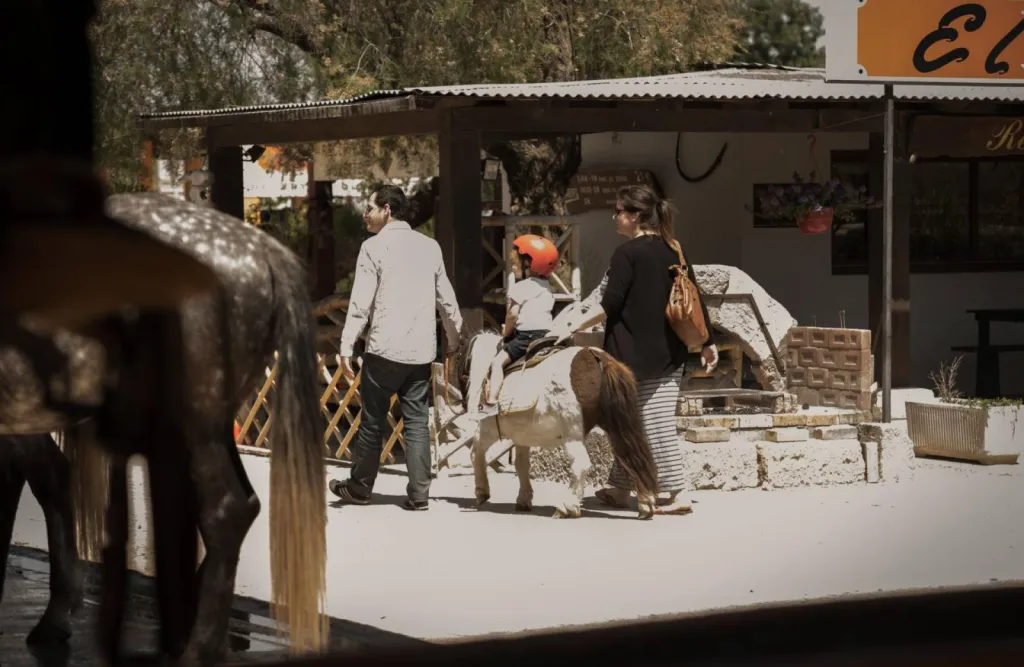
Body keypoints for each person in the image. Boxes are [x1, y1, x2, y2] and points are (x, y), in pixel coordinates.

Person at [548, 184, 718, 515]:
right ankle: (620, 487)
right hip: (669, 355)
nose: (614, 217)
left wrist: (573, 326)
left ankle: (678, 491)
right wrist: (707, 341)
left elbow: (609, 304)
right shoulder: (673, 250)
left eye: (618, 211)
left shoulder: (627, 254)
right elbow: (694, 298)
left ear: (634, 216)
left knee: (654, 424)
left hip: (632, 358)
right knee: (626, 422)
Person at [329, 184, 463, 511]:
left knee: (373, 420)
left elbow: (360, 304)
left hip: (383, 350)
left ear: (387, 210)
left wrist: (346, 346)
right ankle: (419, 495)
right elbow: (447, 300)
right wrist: (454, 339)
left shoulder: (373, 248)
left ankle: (360, 488)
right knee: (417, 421)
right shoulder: (430, 247)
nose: (366, 215)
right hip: (420, 352)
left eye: (371, 208)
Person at [475, 234, 558, 417]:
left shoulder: (521, 287)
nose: (512, 267)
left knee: (497, 362)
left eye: (515, 263)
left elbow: (512, 314)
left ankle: (491, 402)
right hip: (546, 337)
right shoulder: (548, 288)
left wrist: (506, 332)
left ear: (529, 264)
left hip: (525, 338)